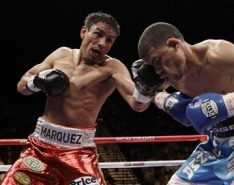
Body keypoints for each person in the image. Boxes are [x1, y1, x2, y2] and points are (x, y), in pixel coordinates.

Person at [131, 22, 234, 185]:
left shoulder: (217, 54)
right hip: (218, 140)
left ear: (175, 44)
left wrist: (226, 104)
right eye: (152, 66)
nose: (157, 71)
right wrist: (144, 90)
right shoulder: (170, 75)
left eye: (157, 61)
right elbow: (139, 105)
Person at [1, 11, 148, 185]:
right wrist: (36, 82)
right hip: (39, 148)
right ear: (84, 31)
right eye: (98, 34)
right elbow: (21, 86)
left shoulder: (112, 68)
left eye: (109, 40)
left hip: (79, 154)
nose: (102, 43)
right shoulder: (61, 55)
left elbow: (137, 103)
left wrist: (146, 88)